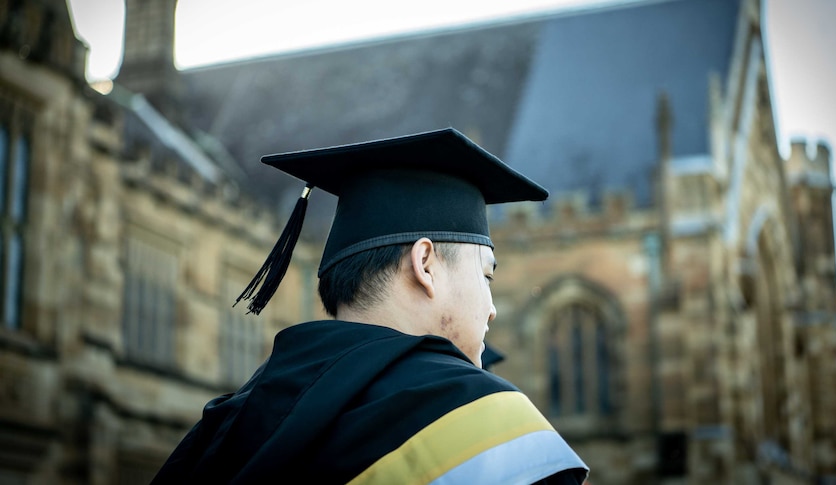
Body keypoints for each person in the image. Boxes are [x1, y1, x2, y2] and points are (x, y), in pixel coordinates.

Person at [151, 128, 589, 484]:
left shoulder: (221, 430)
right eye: (487, 275)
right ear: (425, 264)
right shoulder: (487, 423)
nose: (492, 308)